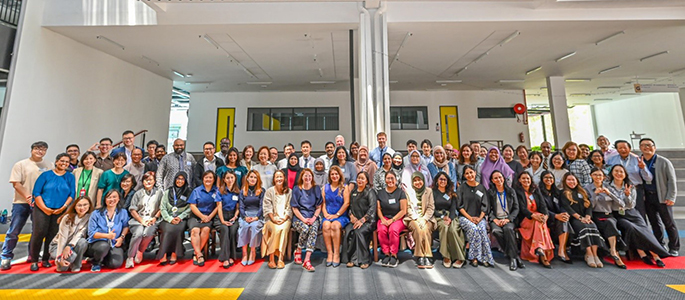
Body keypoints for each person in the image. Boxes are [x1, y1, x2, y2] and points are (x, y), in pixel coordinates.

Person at [1, 141, 52, 270]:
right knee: (14, 230)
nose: (40, 151)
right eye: (37, 149)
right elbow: (16, 183)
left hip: (40, 204)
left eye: (43, 149)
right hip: (21, 203)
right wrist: (29, 197)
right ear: (32, 150)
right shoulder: (21, 164)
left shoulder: (49, 165)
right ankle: (6, 256)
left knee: (37, 232)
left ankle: (32, 255)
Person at [608, 164, 670, 267]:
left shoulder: (630, 186)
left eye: (621, 172)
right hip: (619, 214)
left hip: (632, 212)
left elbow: (631, 204)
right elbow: (616, 204)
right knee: (631, 228)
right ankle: (641, 252)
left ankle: (655, 255)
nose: (618, 173)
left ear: (625, 174)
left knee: (645, 229)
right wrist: (619, 198)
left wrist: (627, 196)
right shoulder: (608, 186)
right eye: (616, 171)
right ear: (612, 173)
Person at [29, 153, 76, 271]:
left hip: (60, 210)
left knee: (53, 235)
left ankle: (46, 258)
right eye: (62, 161)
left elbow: (72, 194)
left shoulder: (70, 177)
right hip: (42, 209)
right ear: (56, 161)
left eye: (66, 162)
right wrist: (45, 208)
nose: (64, 163)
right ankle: (34, 260)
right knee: (39, 234)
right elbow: (37, 192)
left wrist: (64, 207)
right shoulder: (45, 175)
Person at [639, 138, 679, 256]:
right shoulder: (639, 161)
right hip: (648, 197)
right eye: (643, 145)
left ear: (654, 147)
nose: (646, 147)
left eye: (649, 145)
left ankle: (674, 247)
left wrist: (671, 197)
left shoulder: (663, 161)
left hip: (662, 196)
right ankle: (660, 245)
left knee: (669, 222)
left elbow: (672, 180)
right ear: (640, 148)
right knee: (654, 222)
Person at [560, 173, 607, 268]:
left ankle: (595, 254)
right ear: (565, 181)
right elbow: (568, 208)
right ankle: (588, 253)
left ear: (577, 181)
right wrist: (580, 218)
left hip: (586, 217)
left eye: (573, 180)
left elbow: (589, 205)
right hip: (574, 219)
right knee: (585, 228)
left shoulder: (582, 192)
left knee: (592, 226)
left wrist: (588, 217)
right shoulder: (563, 193)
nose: (571, 182)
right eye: (569, 180)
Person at [586, 167, 625, 269]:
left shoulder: (609, 188)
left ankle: (613, 250)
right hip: (596, 215)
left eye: (600, 175)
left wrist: (609, 194)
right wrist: (595, 195)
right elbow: (589, 206)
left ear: (604, 177)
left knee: (611, 222)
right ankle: (612, 251)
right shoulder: (587, 188)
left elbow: (621, 203)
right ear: (591, 176)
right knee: (609, 224)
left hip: (609, 214)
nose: (598, 177)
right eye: (595, 175)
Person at [457, 165, 495, 267]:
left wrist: (479, 218)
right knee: (473, 229)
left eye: (471, 172)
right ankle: (474, 257)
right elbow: (459, 206)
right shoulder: (461, 188)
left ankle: (485, 258)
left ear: (475, 173)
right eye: (467, 173)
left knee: (482, 229)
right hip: (465, 218)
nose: (469, 175)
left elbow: (485, 205)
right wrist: (470, 218)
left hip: (480, 217)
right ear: (464, 175)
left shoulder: (481, 188)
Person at [515, 171, 553, 269]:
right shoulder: (517, 191)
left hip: (538, 218)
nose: (526, 180)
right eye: (523, 178)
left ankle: (539, 248)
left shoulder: (535, 190)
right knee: (538, 221)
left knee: (539, 221)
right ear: (519, 180)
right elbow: (522, 208)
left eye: (528, 178)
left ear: (531, 180)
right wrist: (532, 215)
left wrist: (546, 216)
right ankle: (542, 251)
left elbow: (543, 206)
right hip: (525, 218)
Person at [606, 140, 652, 219]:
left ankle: (642, 230)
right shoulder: (611, 160)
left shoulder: (637, 159)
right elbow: (609, 175)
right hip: (618, 189)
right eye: (620, 148)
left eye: (625, 147)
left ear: (629, 148)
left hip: (635, 188)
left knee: (639, 213)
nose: (623, 150)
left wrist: (643, 168)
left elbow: (648, 178)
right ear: (616, 150)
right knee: (623, 214)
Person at [487, 170, 523, 271]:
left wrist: (508, 219)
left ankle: (512, 258)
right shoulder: (490, 193)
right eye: (496, 178)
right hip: (496, 220)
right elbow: (488, 209)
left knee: (508, 230)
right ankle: (515, 256)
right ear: (492, 180)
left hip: (508, 219)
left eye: (500, 177)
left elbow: (516, 208)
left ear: (503, 178)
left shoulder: (511, 191)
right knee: (496, 231)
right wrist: (494, 219)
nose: (498, 180)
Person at [125, 172, 162, 269]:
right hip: (138, 219)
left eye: (150, 180)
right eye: (146, 180)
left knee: (148, 233)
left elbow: (161, 208)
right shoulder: (138, 193)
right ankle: (130, 257)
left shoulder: (159, 193)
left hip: (152, 220)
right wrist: (141, 221)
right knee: (138, 234)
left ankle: (140, 251)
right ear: (142, 182)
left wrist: (154, 218)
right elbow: (132, 210)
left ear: (154, 181)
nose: (148, 182)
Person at [86, 190, 129, 271]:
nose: (112, 199)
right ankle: (96, 262)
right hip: (98, 243)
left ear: (119, 198)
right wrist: (107, 236)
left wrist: (121, 238)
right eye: (109, 197)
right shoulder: (96, 213)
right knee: (103, 247)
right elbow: (91, 233)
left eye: (114, 197)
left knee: (115, 264)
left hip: (114, 243)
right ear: (104, 199)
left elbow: (126, 226)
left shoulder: (123, 212)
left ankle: (103, 258)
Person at [342, 172, 376, 269]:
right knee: (349, 231)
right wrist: (351, 216)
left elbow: (372, 208)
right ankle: (351, 259)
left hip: (368, 221)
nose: (360, 180)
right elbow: (350, 207)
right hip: (355, 220)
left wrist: (362, 220)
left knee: (359, 232)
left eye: (362, 178)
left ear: (366, 181)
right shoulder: (353, 192)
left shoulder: (370, 192)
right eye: (358, 178)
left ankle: (364, 260)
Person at [291, 169, 323, 272]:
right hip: (300, 217)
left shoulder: (316, 189)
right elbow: (294, 208)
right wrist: (304, 219)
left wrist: (313, 218)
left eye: (309, 176)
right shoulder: (297, 189)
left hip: (313, 216)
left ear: (312, 177)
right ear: (302, 177)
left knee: (313, 229)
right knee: (305, 229)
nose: (307, 178)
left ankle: (307, 260)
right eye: (305, 176)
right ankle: (299, 249)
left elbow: (319, 207)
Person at [49, 196, 92, 273]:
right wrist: (59, 258)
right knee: (62, 268)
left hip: (72, 245)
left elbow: (80, 234)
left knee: (82, 242)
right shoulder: (67, 218)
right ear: (75, 207)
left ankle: (76, 265)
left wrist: (69, 246)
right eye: (79, 205)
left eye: (85, 205)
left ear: (89, 206)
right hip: (57, 245)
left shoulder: (89, 218)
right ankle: (67, 259)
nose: (82, 208)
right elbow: (62, 238)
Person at [432, 172, 466, 268]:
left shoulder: (452, 193)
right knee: (444, 227)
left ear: (447, 182)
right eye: (441, 179)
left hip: (451, 216)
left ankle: (460, 257)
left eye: (445, 179)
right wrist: (442, 217)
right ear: (437, 181)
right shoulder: (432, 192)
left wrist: (450, 219)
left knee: (453, 230)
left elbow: (453, 208)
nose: (443, 181)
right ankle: (446, 256)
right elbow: (431, 208)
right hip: (438, 216)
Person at [157, 172, 191, 265]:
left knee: (178, 229)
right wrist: (169, 218)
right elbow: (162, 208)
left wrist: (180, 217)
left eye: (182, 179)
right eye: (178, 178)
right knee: (167, 230)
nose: (180, 181)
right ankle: (163, 254)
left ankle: (174, 253)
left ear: (185, 181)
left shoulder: (188, 192)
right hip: (167, 218)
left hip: (181, 218)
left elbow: (190, 208)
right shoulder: (168, 192)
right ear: (175, 179)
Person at [188, 170, 220, 267]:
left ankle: (196, 253)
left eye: (210, 177)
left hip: (210, 217)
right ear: (203, 179)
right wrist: (202, 216)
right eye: (206, 177)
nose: (208, 179)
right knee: (195, 230)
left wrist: (209, 217)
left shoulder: (217, 191)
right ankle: (199, 254)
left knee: (206, 229)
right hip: (196, 216)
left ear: (214, 179)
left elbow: (218, 206)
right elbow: (192, 206)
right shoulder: (196, 191)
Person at [261, 170, 292, 269]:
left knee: (283, 229)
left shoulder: (289, 191)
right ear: (274, 179)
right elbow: (267, 207)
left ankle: (280, 259)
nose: (279, 179)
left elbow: (290, 208)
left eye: (281, 177)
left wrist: (284, 218)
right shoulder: (270, 191)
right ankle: (271, 258)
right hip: (271, 219)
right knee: (275, 229)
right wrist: (273, 219)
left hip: (285, 219)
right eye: (277, 177)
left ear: (284, 178)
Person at [404, 172, 435, 269]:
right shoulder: (408, 191)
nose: (417, 182)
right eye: (415, 180)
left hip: (427, 218)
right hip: (413, 218)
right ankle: (421, 255)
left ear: (423, 180)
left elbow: (431, 207)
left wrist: (424, 219)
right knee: (418, 229)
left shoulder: (429, 191)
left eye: (419, 180)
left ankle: (427, 255)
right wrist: (417, 219)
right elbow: (408, 208)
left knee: (425, 229)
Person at [376, 171, 407, 268]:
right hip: (384, 217)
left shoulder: (400, 192)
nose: (390, 181)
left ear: (396, 180)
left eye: (392, 178)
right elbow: (378, 209)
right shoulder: (380, 193)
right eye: (388, 178)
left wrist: (392, 220)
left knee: (393, 229)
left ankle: (394, 255)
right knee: (381, 229)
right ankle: (386, 253)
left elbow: (403, 210)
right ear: (385, 180)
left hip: (398, 218)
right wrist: (382, 219)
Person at [322, 166, 350, 267]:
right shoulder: (325, 187)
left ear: (340, 175)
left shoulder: (344, 187)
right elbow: (323, 203)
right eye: (332, 174)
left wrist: (337, 215)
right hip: (328, 215)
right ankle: (330, 253)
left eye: (336, 174)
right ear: (329, 176)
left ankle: (337, 254)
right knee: (325, 226)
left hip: (341, 215)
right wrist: (325, 214)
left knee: (334, 226)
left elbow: (346, 203)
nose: (334, 176)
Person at [237, 170, 265, 266]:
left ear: (258, 179)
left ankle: (252, 252)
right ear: (247, 178)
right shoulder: (242, 191)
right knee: (244, 227)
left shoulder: (261, 191)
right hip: (245, 215)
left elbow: (262, 206)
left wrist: (257, 217)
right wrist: (245, 217)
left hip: (257, 215)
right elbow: (241, 206)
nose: (253, 179)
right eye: (251, 177)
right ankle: (244, 253)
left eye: (255, 177)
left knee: (254, 227)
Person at [216, 169, 240, 268]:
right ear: (224, 180)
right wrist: (222, 221)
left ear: (235, 179)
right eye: (227, 178)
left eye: (232, 178)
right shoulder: (220, 191)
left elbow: (238, 208)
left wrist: (235, 216)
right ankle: (225, 257)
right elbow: (219, 207)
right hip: (221, 216)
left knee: (233, 229)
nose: (230, 180)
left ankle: (232, 256)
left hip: (233, 216)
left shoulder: (238, 192)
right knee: (225, 229)